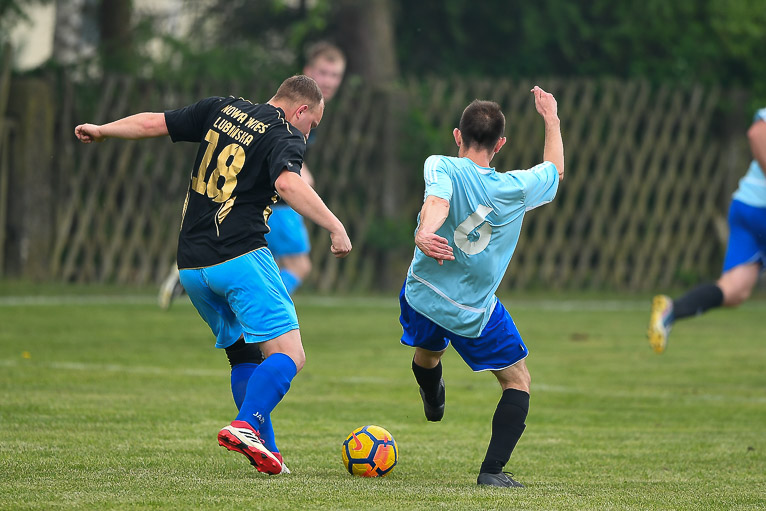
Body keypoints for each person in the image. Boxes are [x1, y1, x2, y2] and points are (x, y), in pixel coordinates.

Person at [74, 75, 352, 475]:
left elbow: (154, 122)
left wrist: (103, 129)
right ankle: (246, 425)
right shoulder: (285, 133)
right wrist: (335, 226)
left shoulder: (221, 108)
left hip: (190, 265)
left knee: (243, 355)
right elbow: (288, 183)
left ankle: (268, 453)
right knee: (291, 354)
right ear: (301, 110)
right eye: (313, 124)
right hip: (241, 257)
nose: (309, 133)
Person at [398, 87, 564, 488]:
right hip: (473, 312)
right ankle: (492, 471)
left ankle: (432, 396)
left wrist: (424, 233)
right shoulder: (518, 187)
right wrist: (551, 119)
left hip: (422, 293)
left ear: (458, 135)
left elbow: (437, 201)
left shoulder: (440, 164)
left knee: (428, 354)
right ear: (500, 144)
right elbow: (555, 171)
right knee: (517, 380)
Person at [157, 42, 346, 308]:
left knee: (258, 260)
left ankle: (224, 288)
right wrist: (301, 177)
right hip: (274, 201)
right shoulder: (296, 109)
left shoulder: (296, 105)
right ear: (307, 72)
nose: (328, 81)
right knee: (298, 265)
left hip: (244, 198)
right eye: (323, 73)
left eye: (335, 75)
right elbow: (277, 148)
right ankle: (261, 307)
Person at [648, 108, 766, 353]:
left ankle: (672, 311)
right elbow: (757, 133)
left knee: (735, 289)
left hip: (746, 203)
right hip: (760, 208)